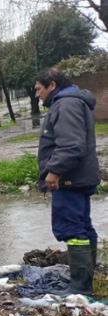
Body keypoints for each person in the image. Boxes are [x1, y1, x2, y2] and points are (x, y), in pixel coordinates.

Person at [35, 68, 100, 296]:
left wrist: (53, 171)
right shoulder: (72, 102)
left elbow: (71, 146)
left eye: (39, 89)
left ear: (52, 85)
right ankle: (85, 282)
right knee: (82, 226)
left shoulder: (65, 105)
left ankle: (80, 288)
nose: (37, 95)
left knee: (73, 230)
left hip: (70, 179)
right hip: (78, 177)